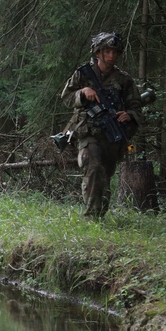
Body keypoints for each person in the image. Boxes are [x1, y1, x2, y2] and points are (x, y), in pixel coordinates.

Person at [59, 31, 143, 218]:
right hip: (88, 131)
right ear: (98, 52)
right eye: (107, 51)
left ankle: (99, 215)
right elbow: (66, 97)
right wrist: (82, 92)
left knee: (104, 174)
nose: (111, 56)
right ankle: (92, 217)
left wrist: (128, 115)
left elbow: (136, 106)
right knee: (93, 167)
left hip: (112, 135)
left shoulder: (124, 79)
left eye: (114, 52)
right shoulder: (83, 74)